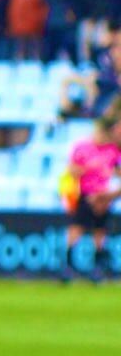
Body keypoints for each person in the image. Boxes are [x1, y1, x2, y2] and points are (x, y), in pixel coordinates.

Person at [61, 113, 119, 280]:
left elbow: (116, 171)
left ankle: (98, 267)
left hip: (104, 197)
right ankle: (68, 265)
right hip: (85, 193)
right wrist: (89, 168)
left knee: (99, 231)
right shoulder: (82, 148)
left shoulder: (112, 151)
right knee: (77, 227)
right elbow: (71, 170)